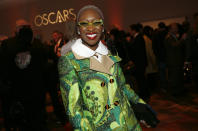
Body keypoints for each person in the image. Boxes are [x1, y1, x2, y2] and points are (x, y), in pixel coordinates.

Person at [58, 5, 159, 130]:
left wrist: (141, 104)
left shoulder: (109, 54)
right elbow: (74, 111)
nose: (90, 28)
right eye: (84, 23)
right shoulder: (69, 60)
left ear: (102, 27)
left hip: (129, 123)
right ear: (78, 29)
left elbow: (122, 86)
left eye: (96, 23)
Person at [0, 19, 48, 131]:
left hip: (20, 92)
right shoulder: (37, 44)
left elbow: (4, 68)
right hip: (33, 92)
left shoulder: (9, 44)